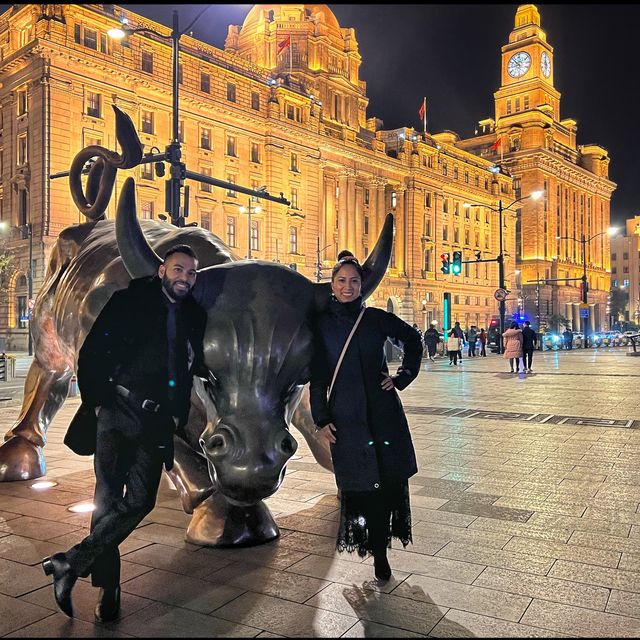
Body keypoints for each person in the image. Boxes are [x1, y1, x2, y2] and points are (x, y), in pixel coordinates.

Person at [41, 245, 206, 621]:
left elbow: (191, 365)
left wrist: (178, 415)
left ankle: (70, 563)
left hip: (157, 421)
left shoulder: (192, 315)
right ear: (162, 270)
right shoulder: (129, 301)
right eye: (179, 269)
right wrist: (100, 403)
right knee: (108, 499)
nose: (185, 277)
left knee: (140, 501)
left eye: (191, 273)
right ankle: (108, 589)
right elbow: (92, 352)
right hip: (118, 409)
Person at [310, 256, 423, 583]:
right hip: (346, 419)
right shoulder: (323, 325)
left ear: (362, 287)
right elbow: (317, 378)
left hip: (382, 414)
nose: (348, 287)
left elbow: (413, 340)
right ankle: (374, 544)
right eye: (342, 281)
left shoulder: (374, 319)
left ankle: (381, 552)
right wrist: (321, 419)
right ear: (333, 285)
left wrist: (402, 378)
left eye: (354, 282)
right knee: (360, 487)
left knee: (387, 483)